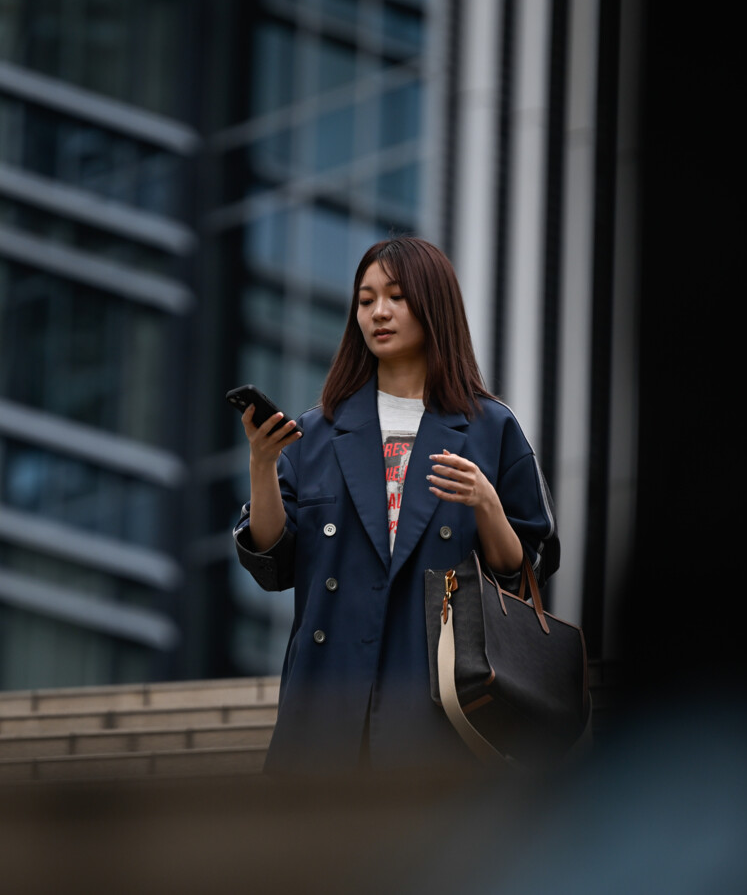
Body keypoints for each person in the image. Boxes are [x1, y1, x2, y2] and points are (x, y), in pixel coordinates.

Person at [233, 236, 560, 774]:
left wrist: (486, 504)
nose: (378, 312)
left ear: (434, 305)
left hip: (443, 708)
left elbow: (526, 568)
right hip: (325, 711)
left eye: (397, 297)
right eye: (365, 300)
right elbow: (273, 562)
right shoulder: (318, 431)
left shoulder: (491, 428)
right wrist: (262, 466)